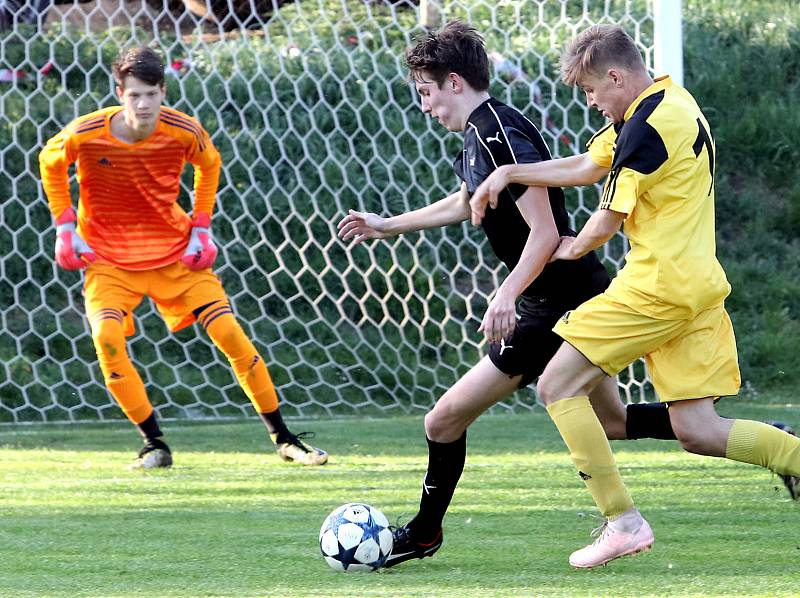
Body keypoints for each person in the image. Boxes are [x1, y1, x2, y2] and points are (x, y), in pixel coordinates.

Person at [337, 21, 681, 569]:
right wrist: (388, 224)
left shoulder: (496, 132)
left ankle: (425, 534)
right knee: (613, 423)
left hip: (554, 306)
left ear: (453, 82)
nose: (425, 107)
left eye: (425, 92)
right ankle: (722, 432)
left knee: (442, 420)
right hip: (572, 293)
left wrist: (504, 295)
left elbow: (545, 233)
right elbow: (467, 199)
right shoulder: (482, 131)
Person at [469, 24, 800, 567]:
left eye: (592, 91)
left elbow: (606, 220)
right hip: (697, 287)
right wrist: (508, 172)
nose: (592, 102)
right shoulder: (670, 102)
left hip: (656, 288)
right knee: (698, 430)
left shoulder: (647, 125)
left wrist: (566, 251)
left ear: (616, 77)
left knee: (555, 386)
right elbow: (586, 166)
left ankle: (623, 522)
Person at [39, 46, 327, 468]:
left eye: (151, 94)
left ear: (163, 92)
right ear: (119, 92)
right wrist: (65, 227)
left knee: (230, 334)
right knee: (107, 341)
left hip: (176, 256)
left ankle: (285, 439)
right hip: (109, 262)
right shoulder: (86, 132)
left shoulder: (182, 131)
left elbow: (209, 165)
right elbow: (49, 162)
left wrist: (201, 227)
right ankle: (154, 444)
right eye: (134, 94)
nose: (143, 104)